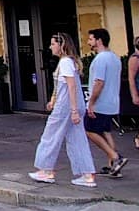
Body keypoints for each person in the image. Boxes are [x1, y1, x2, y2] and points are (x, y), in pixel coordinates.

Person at [29, 33, 98, 188]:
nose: (50, 47)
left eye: (53, 44)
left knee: (50, 136)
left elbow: (71, 86)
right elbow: (64, 86)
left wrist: (72, 110)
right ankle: (87, 174)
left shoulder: (65, 62)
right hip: (73, 104)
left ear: (61, 45)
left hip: (66, 106)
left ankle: (46, 170)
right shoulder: (68, 62)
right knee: (77, 139)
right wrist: (54, 100)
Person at [85, 28, 127, 177]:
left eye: (91, 39)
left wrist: (91, 102)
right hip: (112, 102)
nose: (89, 42)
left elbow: (99, 82)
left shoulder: (100, 59)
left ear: (99, 40)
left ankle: (115, 157)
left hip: (100, 103)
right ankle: (112, 165)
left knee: (90, 130)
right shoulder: (114, 57)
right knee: (105, 131)